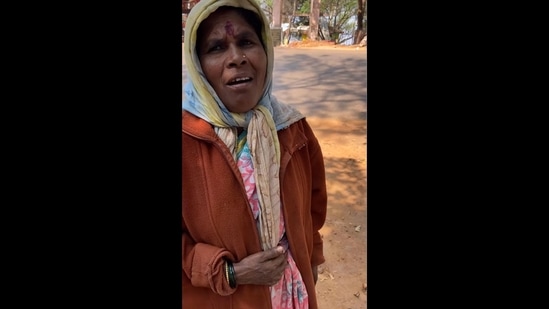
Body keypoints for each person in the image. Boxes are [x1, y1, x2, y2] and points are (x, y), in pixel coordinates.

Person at [182, 0, 328, 308]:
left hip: (289, 292)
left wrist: (310, 262)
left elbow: (312, 211)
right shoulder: (187, 138)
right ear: (198, 65)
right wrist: (230, 273)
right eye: (216, 48)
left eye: (246, 42)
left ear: (265, 51)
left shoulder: (292, 129)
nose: (237, 58)